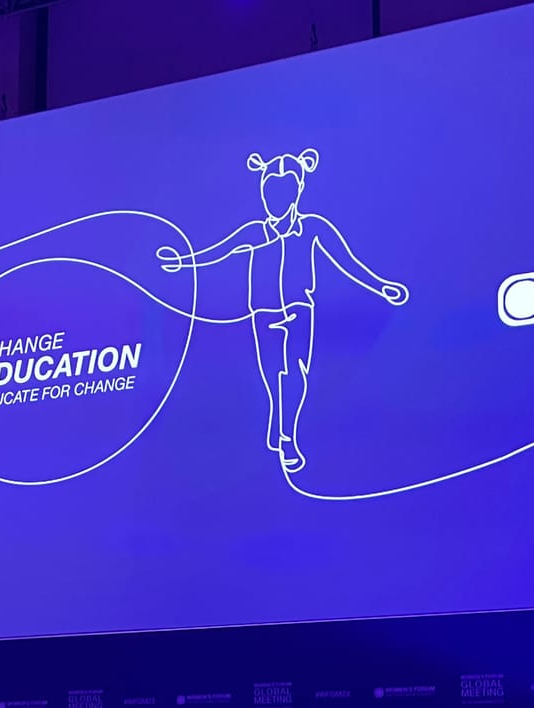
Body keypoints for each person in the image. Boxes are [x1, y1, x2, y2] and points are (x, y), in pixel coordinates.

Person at [156, 149, 408, 472]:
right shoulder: (255, 233)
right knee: (271, 373)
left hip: (299, 310)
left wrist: (381, 286)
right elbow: (221, 250)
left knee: (296, 372)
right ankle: (278, 415)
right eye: (269, 189)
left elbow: (345, 261)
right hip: (262, 313)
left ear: (297, 190)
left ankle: (288, 436)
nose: (274, 197)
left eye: (283, 189)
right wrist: (183, 262)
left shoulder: (312, 227)